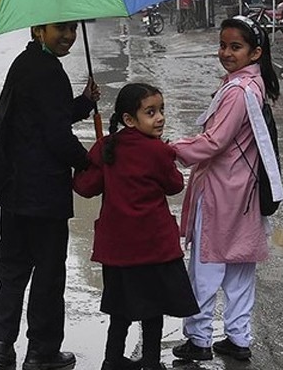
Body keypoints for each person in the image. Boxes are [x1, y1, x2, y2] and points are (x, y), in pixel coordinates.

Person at [0, 21, 100, 370]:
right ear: (38, 30)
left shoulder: (25, 63)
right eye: (60, 29)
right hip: (44, 193)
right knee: (48, 275)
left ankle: (2, 344)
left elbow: (47, 116)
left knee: (13, 271)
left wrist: (83, 102)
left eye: (71, 29)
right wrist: (88, 162)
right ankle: (42, 353)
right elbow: (56, 136)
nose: (68, 36)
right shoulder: (49, 71)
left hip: (14, 190)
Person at [170, 15, 281, 362]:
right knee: (239, 269)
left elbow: (214, 141)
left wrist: (171, 149)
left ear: (255, 52)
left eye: (235, 47)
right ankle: (238, 337)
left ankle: (199, 339)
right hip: (245, 193)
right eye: (223, 45)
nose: (226, 53)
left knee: (206, 266)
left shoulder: (237, 91)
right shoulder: (255, 85)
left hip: (221, 192)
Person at [73, 83, 199, 370]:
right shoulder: (157, 151)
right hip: (152, 247)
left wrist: (94, 160)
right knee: (152, 308)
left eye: (161, 110)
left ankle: (113, 360)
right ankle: (152, 362)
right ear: (130, 119)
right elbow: (174, 185)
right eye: (151, 112)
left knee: (120, 307)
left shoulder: (108, 147)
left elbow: (85, 187)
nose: (160, 118)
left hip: (117, 249)